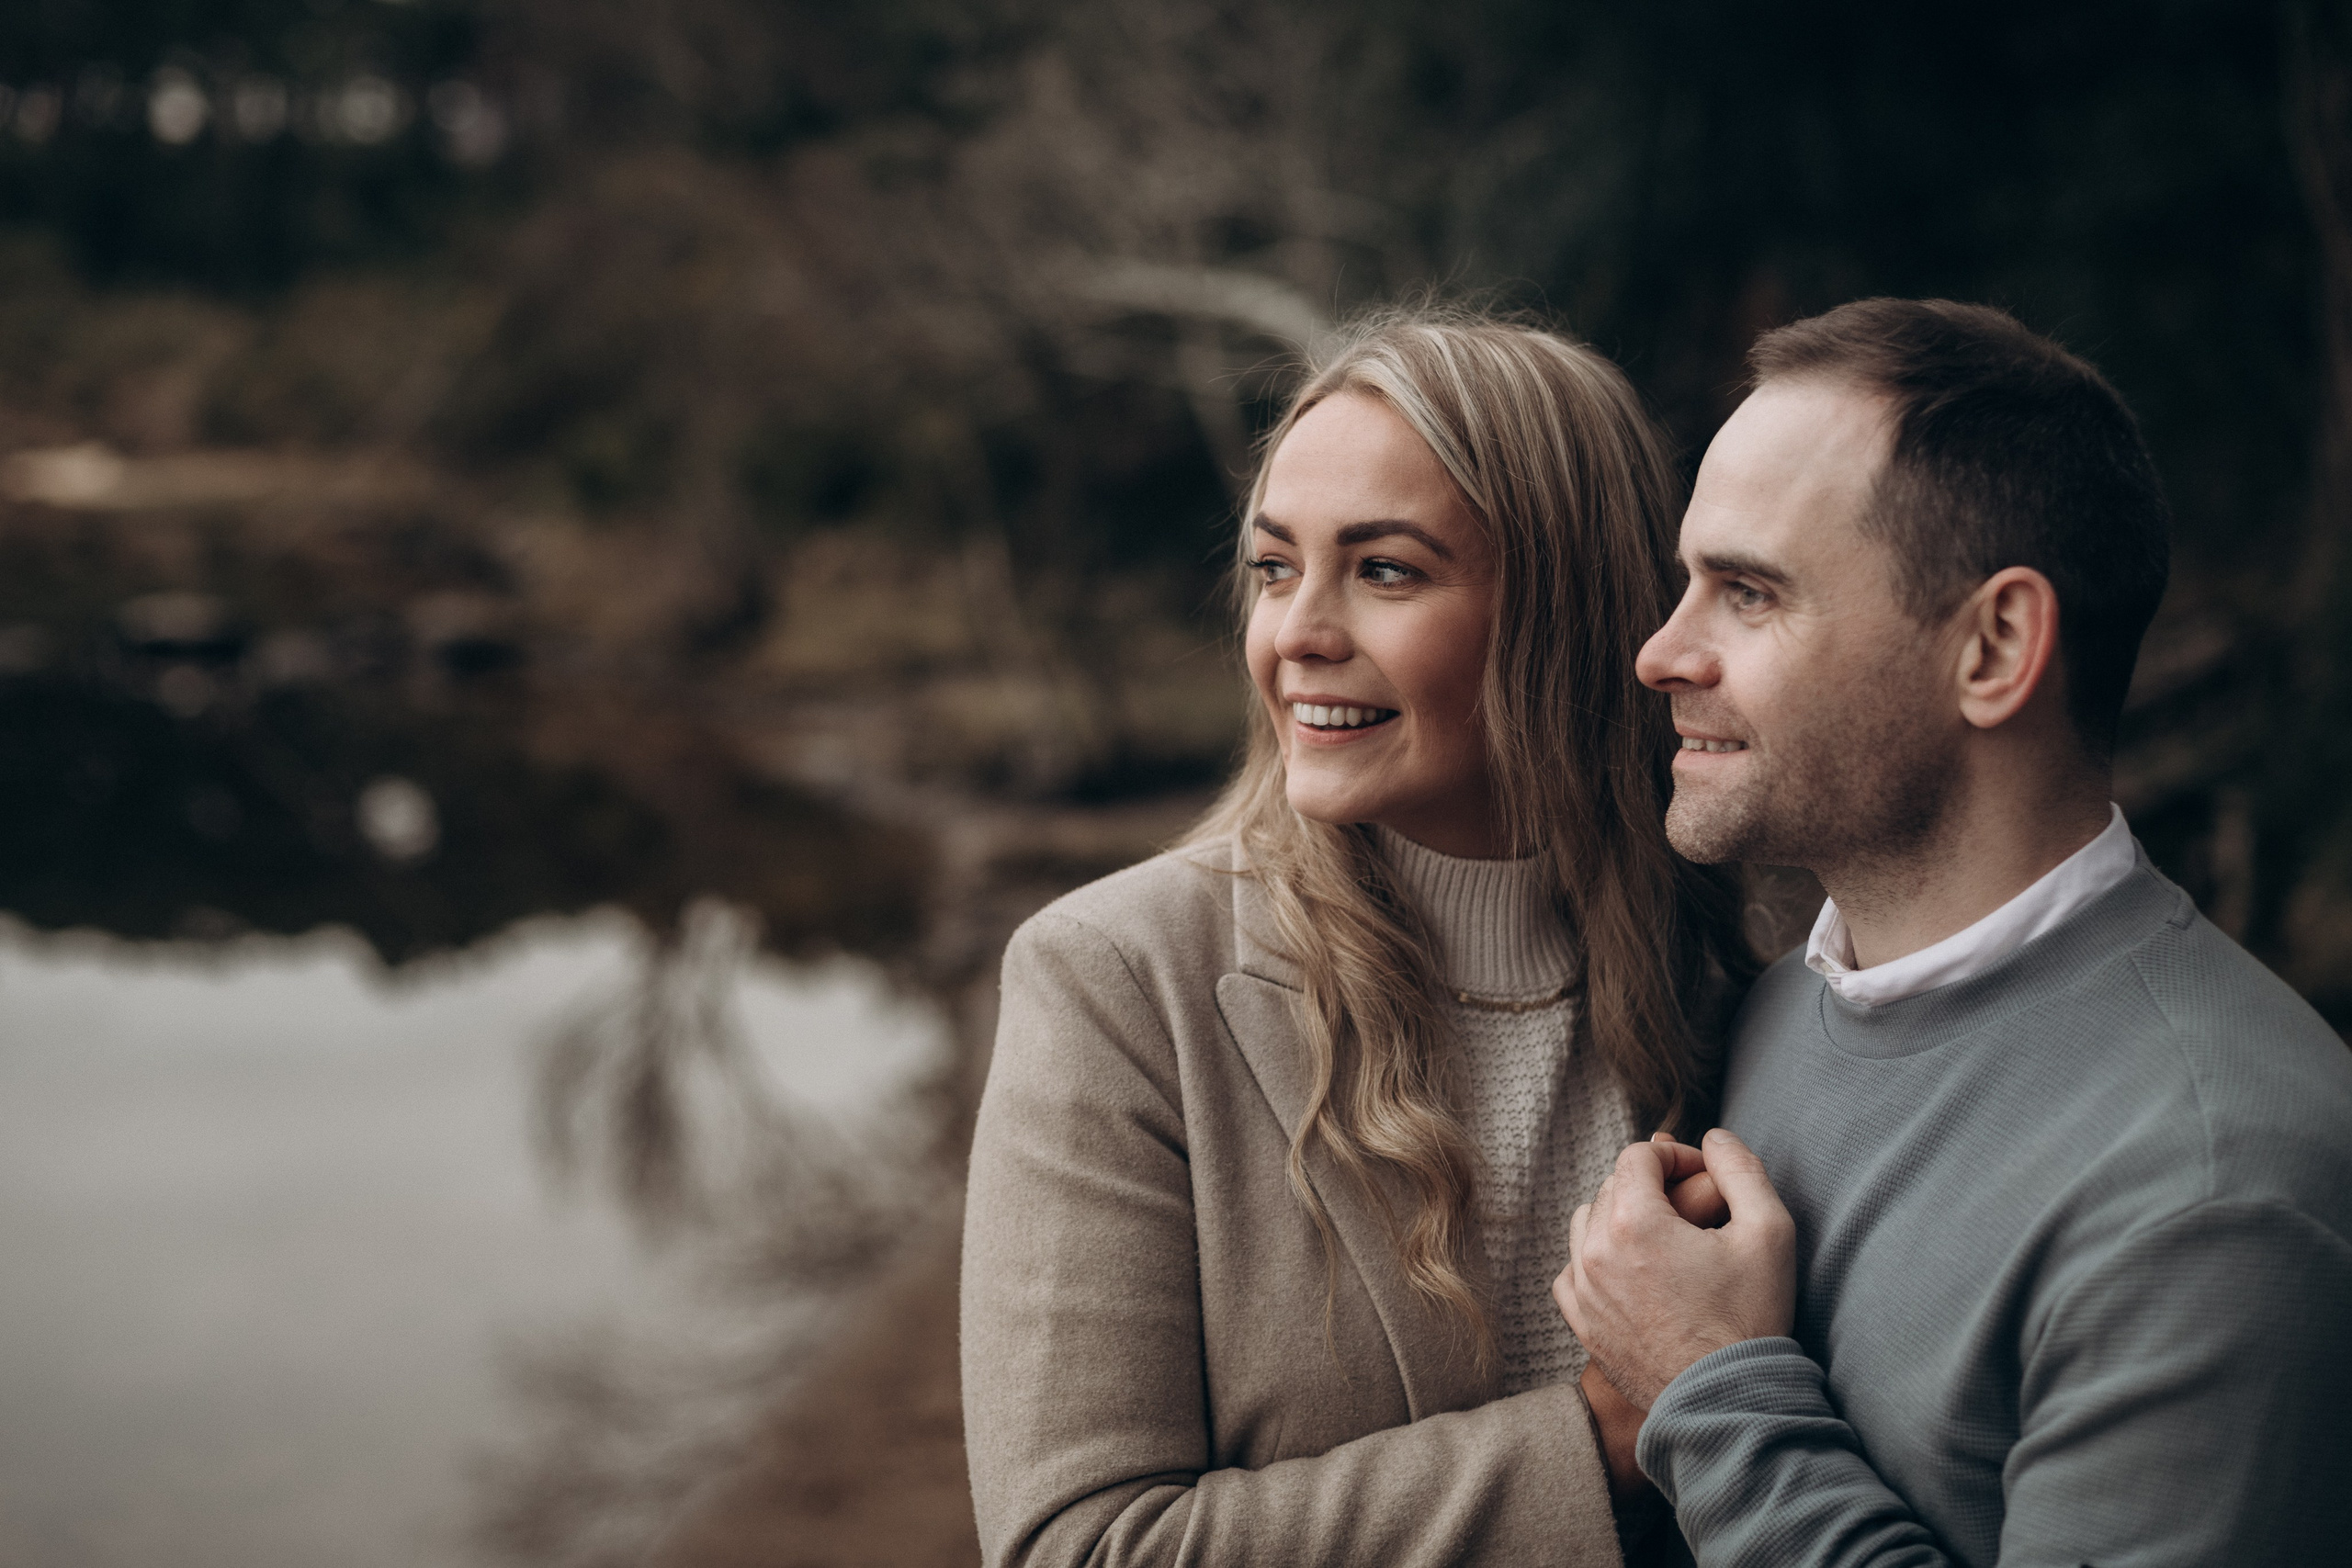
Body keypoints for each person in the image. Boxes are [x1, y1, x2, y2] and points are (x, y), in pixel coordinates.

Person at [1555, 297, 2352, 1566]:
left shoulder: (2215, 1192)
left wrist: (1711, 1393)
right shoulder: (1768, 1020)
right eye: (1684, 583)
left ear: (1995, 647)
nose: (1660, 652)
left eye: (1748, 594)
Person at [959, 307, 1753, 1567]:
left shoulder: (1739, 970)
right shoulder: (1119, 982)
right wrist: (1597, 1437)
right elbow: (1078, 1546)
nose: (1299, 634)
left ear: (1568, 610)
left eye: (1385, 570)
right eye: (1276, 568)